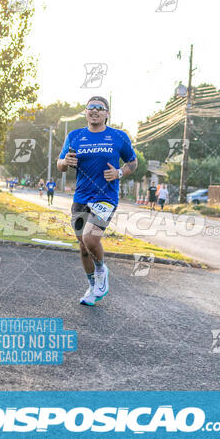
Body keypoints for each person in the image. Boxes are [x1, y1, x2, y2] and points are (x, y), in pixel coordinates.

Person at [57, 95, 138, 305]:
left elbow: (133, 162)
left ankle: (102, 271)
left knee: (90, 239)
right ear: (85, 112)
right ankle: (93, 287)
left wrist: (120, 173)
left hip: (106, 196)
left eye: (100, 108)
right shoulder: (75, 136)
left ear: (107, 114)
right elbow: (60, 164)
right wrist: (65, 161)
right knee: (83, 247)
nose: (95, 111)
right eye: (91, 107)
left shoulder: (118, 137)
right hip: (81, 196)